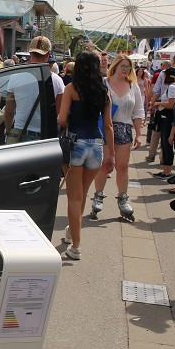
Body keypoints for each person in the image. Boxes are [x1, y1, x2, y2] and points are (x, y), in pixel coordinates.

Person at [58, 51, 114, 260]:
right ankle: (72, 232)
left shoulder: (71, 89)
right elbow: (108, 125)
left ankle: (76, 246)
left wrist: (70, 120)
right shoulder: (103, 92)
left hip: (75, 144)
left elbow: (62, 119)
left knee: (74, 197)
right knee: (83, 193)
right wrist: (111, 155)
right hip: (96, 144)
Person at [91, 53, 144, 219]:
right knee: (103, 164)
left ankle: (123, 198)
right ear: (115, 66)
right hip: (106, 128)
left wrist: (139, 134)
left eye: (128, 67)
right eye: (123, 66)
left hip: (125, 129)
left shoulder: (133, 86)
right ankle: (98, 195)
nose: (126, 69)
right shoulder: (104, 83)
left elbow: (138, 112)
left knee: (122, 166)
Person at [152, 67, 175, 180]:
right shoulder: (174, 86)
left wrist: (158, 103)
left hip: (168, 119)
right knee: (165, 144)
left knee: (166, 144)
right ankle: (166, 170)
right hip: (166, 118)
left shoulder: (173, 87)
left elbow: (171, 104)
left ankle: (167, 171)